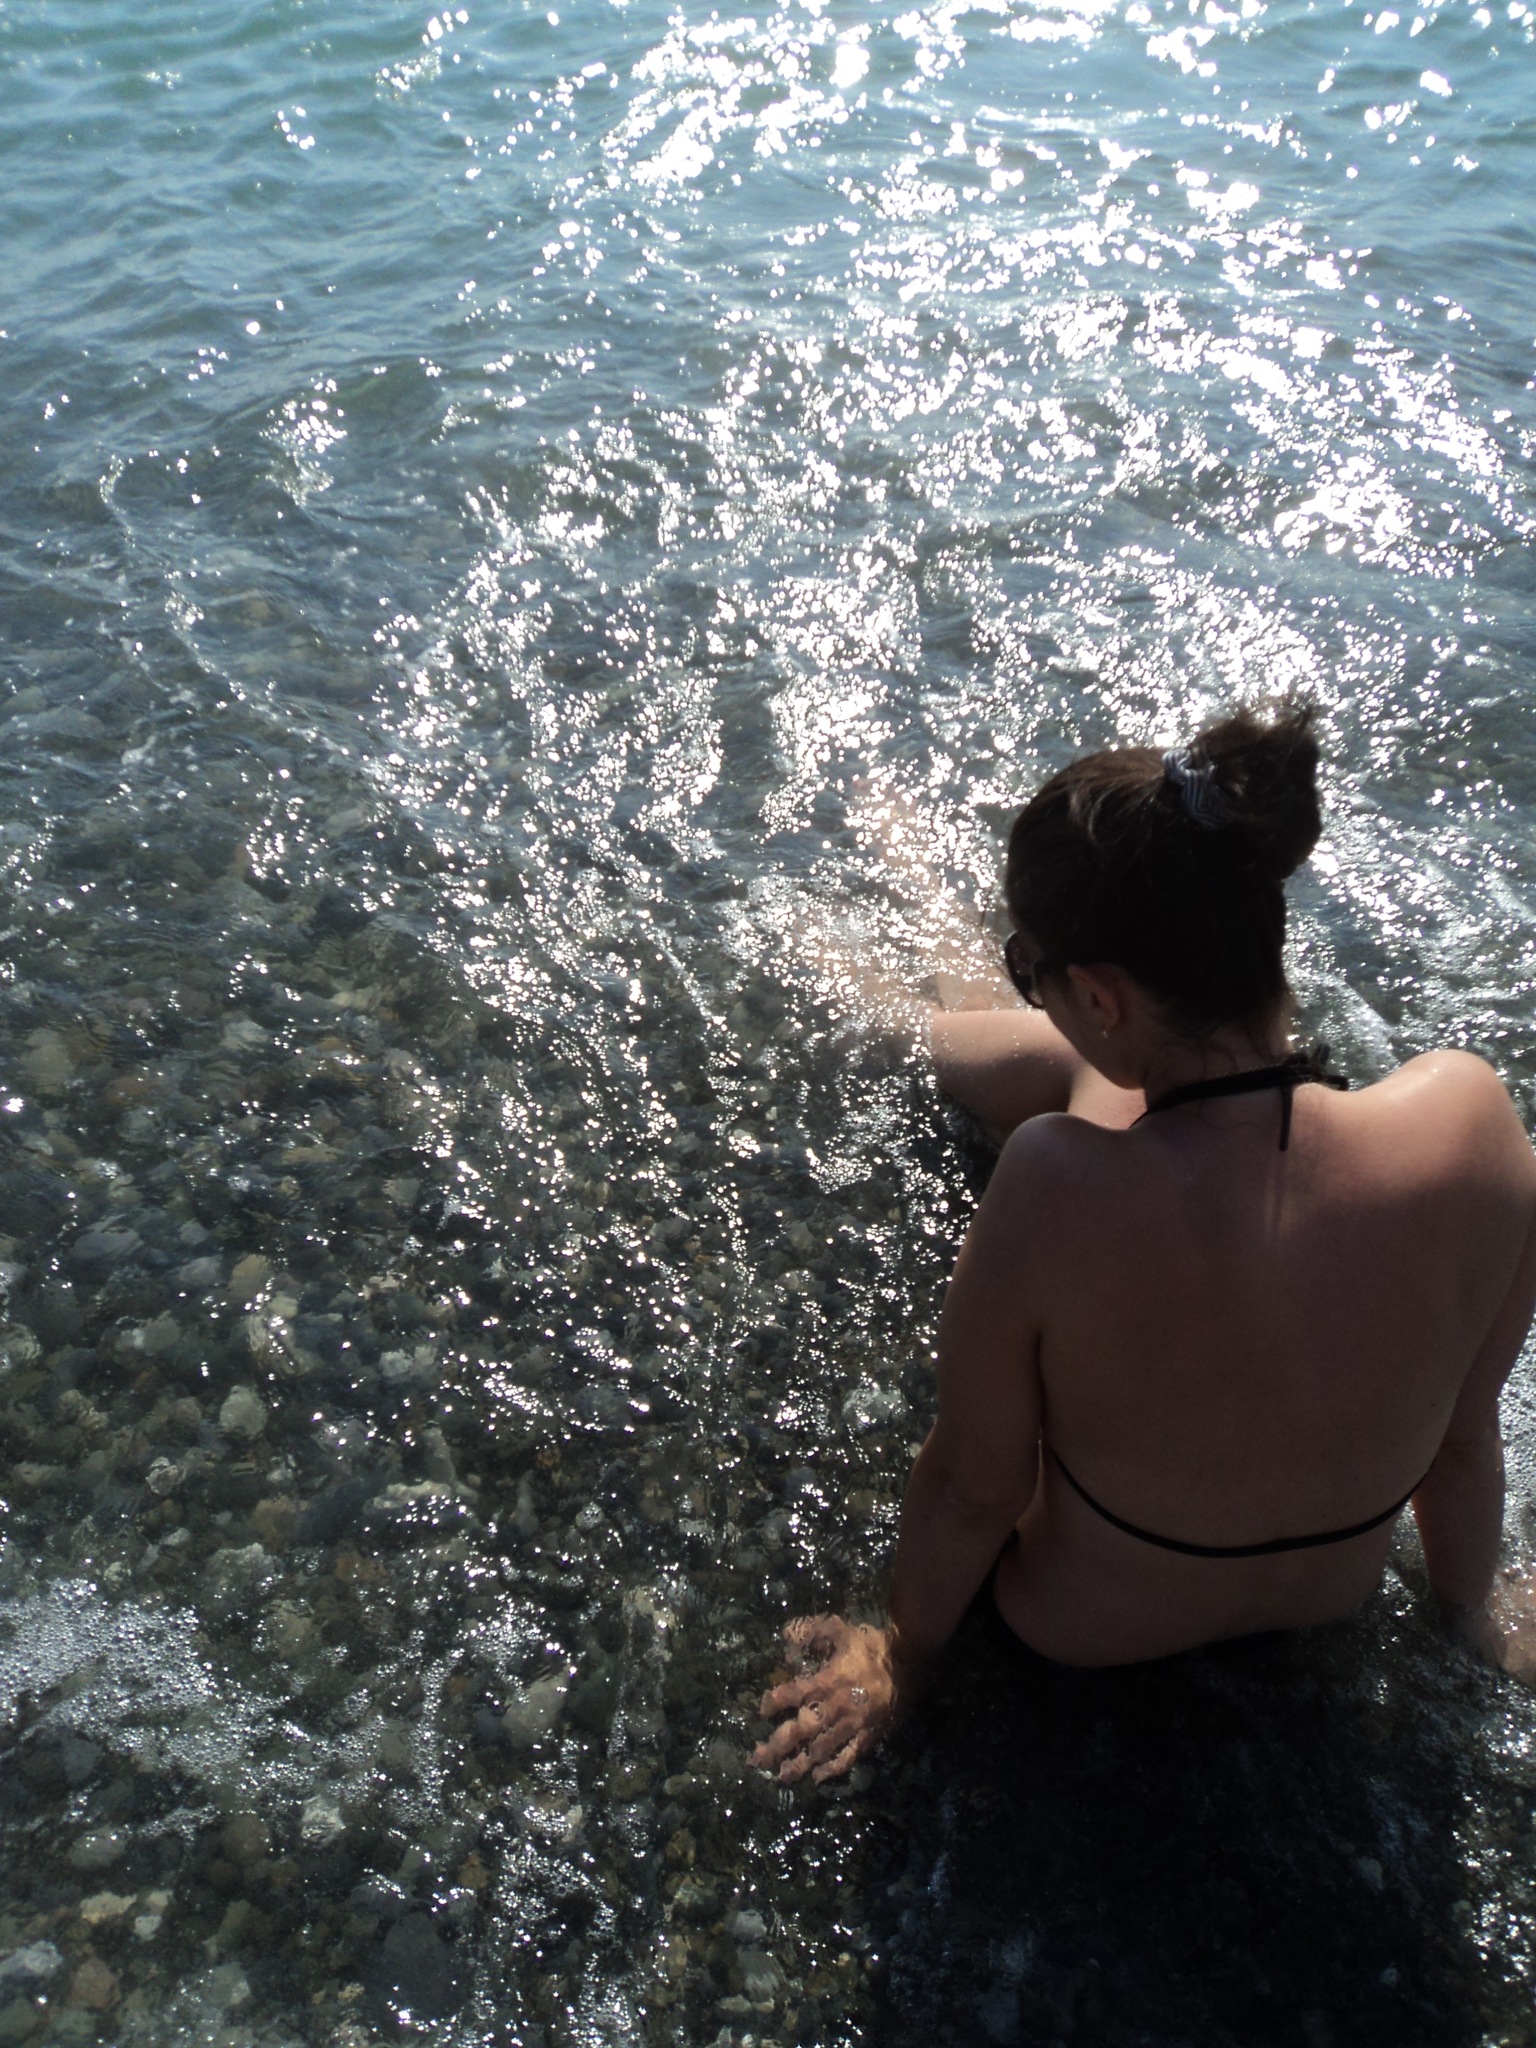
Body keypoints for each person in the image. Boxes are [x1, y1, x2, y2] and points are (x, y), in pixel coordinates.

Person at [751, 704, 1536, 1786]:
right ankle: (934, 918)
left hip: (1086, 1626)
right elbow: (1460, 1440)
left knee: (1032, 1067)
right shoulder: (1471, 1123)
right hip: (1330, 1596)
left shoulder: (1055, 1184)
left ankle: (899, 995)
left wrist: (902, 1656)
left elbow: (975, 1486)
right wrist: (1469, 1615)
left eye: (1036, 973)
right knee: (1106, 1077)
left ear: (1100, 995)